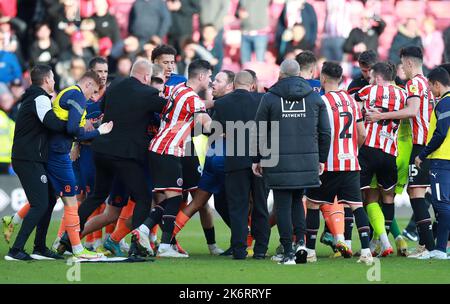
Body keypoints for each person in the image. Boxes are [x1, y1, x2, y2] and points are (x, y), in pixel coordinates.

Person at [57, 59, 166, 257]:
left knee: (96, 196)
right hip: (124, 155)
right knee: (143, 197)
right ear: (146, 77)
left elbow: (105, 109)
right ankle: (137, 245)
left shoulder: (114, 87)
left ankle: (68, 237)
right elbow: (166, 108)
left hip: (101, 150)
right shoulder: (148, 93)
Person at [252, 59, 331, 264]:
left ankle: (288, 251)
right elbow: (325, 132)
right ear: (300, 74)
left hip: (277, 161)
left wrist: (256, 158)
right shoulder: (315, 98)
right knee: (298, 202)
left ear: (281, 73)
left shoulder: (270, 98)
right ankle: (301, 245)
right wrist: (321, 158)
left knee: (283, 206)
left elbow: (259, 130)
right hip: (306, 160)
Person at [135, 59, 213, 258]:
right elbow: (208, 125)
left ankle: (148, 232)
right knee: (175, 198)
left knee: (173, 197)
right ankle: (160, 243)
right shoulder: (193, 99)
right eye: (210, 76)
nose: (211, 80)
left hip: (159, 147)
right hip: (168, 149)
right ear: (202, 76)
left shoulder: (177, 88)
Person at [366, 46, 435, 259]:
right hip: (430, 144)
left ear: (409, 63)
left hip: (418, 145)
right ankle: (427, 245)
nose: (402, 68)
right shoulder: (428, 84)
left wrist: (382, 116)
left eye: (403, 63)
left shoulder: (414, 84)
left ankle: (429, 248)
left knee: (416, 195)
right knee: (420, 195)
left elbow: (413, 111)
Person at [304, 61, 373, 265]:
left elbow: (317, 133)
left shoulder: (320, 101)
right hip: (350, 162)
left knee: (313, 204)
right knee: (357, 206)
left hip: (328, 164)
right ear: (341, 79)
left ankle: (310, 251)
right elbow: (362, 133)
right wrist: (353, 151)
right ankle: (366, 251)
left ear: (323, 78)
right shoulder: (352, 101)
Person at [3, 65, 67, 261]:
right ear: (46, 80)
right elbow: (52, 123)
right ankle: (16, 250)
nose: (55, 82)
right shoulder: (39, 98)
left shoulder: (35, 98)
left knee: (48, 200)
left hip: (30, 157)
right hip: (28, 158)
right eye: (53, 79)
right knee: (40, 204)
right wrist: (74, 122)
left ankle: (39, 247)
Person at [47, 71, 113, 259]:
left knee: (50, 199)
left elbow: (73, 129)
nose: (93, 97)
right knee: (71, 201)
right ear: (89, 84)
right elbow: (73, 130)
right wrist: (99, 131)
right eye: (93, 92)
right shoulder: (77, 96)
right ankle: (73, 246)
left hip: (57, 152)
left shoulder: (70, 93)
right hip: (59, 154)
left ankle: (28, 233)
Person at [170, 70, 235, 255]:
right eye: (213, 79)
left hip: (225, 161)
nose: (213, 83)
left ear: (230, 86)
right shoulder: (215, 105)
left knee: (203, 203)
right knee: (205, 203)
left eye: (219, 81)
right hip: (217, 161)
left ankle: (166, 240)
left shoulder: (226, 104)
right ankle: (244, 241)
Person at [211, 71, 271, 260]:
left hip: (235, 160)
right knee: (261, 205)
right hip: (262, 159)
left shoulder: (222, 103)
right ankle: (261, 250)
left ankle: (239, 250)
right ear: (252, 84)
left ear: (234, 84)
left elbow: (213, 132)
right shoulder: (264, 99)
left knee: (238, 207)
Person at [358, 62, 408, 257]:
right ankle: (379, 241)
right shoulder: (403, 94)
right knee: (388, 198)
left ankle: (378, 243)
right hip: (390, 152)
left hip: (368, 150)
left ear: (377, 78)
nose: (370, 80)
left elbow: (352, 106)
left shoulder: (367, 91)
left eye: (371, 77)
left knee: (363, 198)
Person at [414, 67, 450, 260]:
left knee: (442, 205)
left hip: (442, 161)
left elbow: (441, 133)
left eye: (430, 86)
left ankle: (440, 249)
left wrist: (423, 154)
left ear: (437, 84)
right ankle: (441, 248)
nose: (429, 90)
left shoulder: (444, 103)